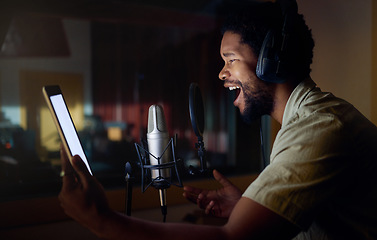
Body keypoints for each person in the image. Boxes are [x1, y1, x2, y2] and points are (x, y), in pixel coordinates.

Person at [58, 1, 377, 239]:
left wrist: (100, 219)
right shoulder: (307, 121)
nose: (222, 73)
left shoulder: (319, 129)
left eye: (231, 59)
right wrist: (251, 207)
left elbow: (232, 239)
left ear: (270, 62)